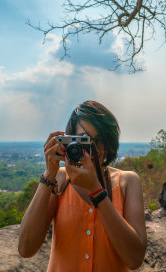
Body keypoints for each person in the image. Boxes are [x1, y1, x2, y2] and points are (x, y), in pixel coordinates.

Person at [18, 101, 147, 271]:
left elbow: (134, 259)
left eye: (100, 140)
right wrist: (49, 174)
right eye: (85, 140)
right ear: (70, 141)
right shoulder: (60, 180)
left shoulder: (128, 182)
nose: (94, 149)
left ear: (109, 142)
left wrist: (96, 190)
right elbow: (26, 248)